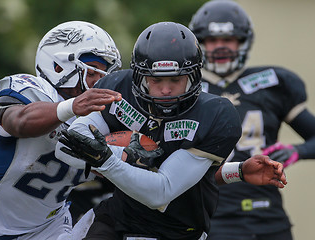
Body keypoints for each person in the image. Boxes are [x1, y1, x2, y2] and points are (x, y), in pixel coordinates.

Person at [55, 21, 286, 240]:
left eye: (175, 79)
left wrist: (106, 158)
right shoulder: (118, 88)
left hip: (176, 230)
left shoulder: (215, 115)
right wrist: (121, 157)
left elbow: (161, 192)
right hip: (117, 218)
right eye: (155, 80)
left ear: (194, 76)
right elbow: (66, 148)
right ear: (139, 77)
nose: (165, 90)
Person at [0, 20, 122, 240]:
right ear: (59, 67)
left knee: (120, 215)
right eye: (92, 72)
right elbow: (17, 121)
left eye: (104, 75)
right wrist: (71, 108)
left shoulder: (100, 117)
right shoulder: (31, 89)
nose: (98, 83)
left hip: (53, 227)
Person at [188, 0, 315, 239]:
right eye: (212, 40)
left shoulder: (273, 83)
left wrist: (297, 150)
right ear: (200, 44)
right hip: (209, 215)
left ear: (243, 41)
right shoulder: (184, 89)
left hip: (265, 215)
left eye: (228, 40)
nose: (220, 47)